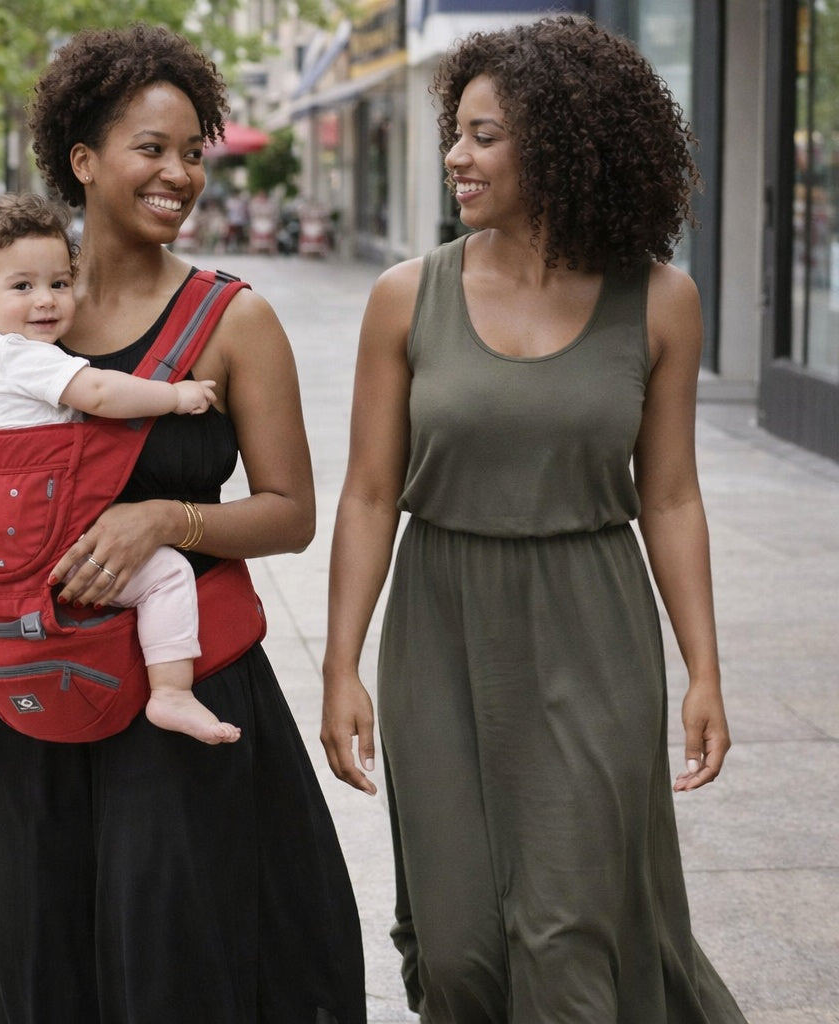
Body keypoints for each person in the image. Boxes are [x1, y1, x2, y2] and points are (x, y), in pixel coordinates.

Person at [0, 25, 366, 1022]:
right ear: (82, 160)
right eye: (152, 148)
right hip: (32, 699)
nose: (180, 174)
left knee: (179, 966)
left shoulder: (233, 319)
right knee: (37, 962)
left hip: (179, 697)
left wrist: (165, 520)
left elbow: (292, 514)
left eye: (192, 153)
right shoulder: (18, 315)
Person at [321, 16, 748, 1023]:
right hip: (439, 624)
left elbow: (671, 495)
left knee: (564, 936)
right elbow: (370, 493)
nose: (456, 157)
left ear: (559, 146)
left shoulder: (661, 301)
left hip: (591, 624)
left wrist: (704, 669)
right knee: (460, 947)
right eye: (456, 133)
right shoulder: (403, 298)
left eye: (485, 136)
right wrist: (341, 664)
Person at [0, 192, 239, 784]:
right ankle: (171, 691)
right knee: (166, 574)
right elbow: (98, 393)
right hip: (50, 538)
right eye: (22, 286)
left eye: (59, 283)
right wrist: (176, 396)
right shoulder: (28, 357)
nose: (46, 299)